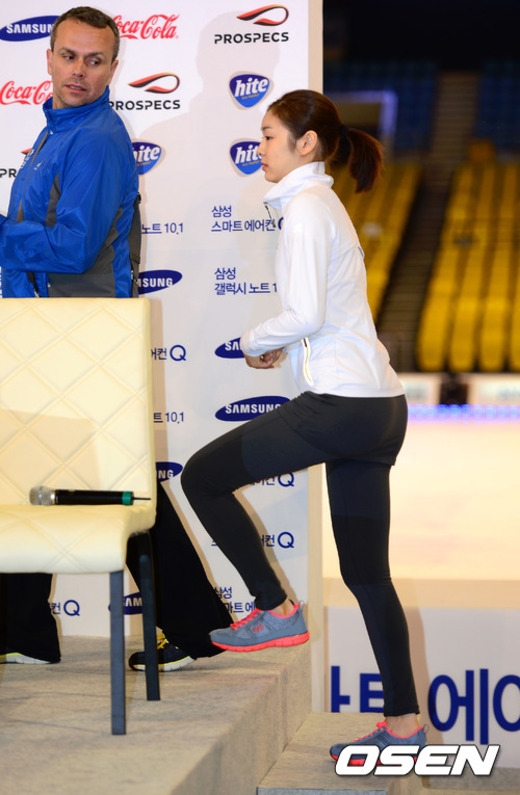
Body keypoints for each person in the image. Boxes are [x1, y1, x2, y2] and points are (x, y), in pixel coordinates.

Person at [181, 89, 427, 758]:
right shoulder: (320, 205)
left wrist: (253, 341)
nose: (258, 147)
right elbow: (326, 318)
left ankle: (274, 609)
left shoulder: (308, 209)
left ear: (306, 143)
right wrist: (282, 345)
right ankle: (404, 722)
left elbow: (307, 314)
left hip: (343, 407)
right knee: (368, 575)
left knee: (201, 476)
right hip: (380, 407)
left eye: (268, 136)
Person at [0, 5, 230, 672]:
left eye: (94, 60)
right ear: (48, 57)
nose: (79, 70)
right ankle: (24, 629)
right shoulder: (60, 130)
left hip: (81, 335)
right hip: (51, 331)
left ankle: (194, 625)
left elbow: (72, 249)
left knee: (118, 486)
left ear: (113, 68)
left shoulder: (96, 137)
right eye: (69, 56)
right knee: (41, 474)